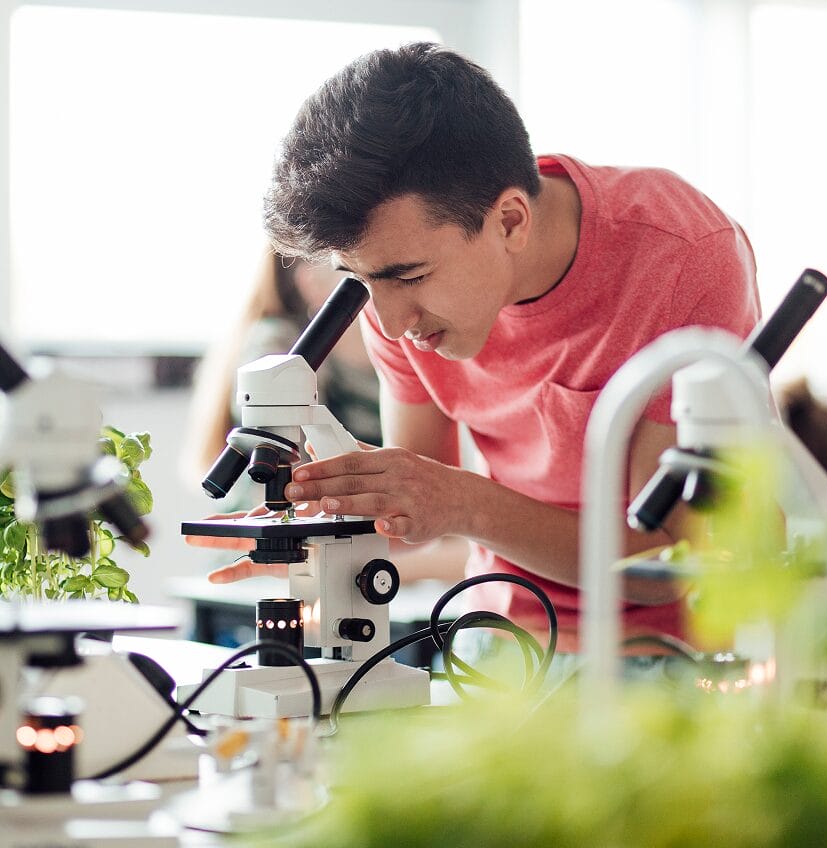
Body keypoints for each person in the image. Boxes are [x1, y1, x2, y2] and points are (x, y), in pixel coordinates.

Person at [198, 42, 761, 665]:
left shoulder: (684, 256)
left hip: (670, 653)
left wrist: (461, 500)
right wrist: (327, 512)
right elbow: (411, 503)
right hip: (499, 633)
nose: (386, 321)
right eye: (359, 281)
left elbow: (663, 557)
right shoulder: (393, 295)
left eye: (408, 277)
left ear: (511, 222)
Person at [184, 246, 468, 583]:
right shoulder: (281, 348)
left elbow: (424, 515)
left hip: (347, 561)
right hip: (261, 572)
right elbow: (302, 506)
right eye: (356, 272)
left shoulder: (416, 352)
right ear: (310, 282)